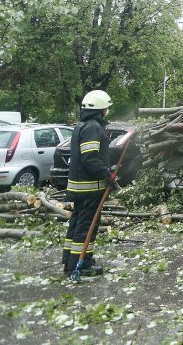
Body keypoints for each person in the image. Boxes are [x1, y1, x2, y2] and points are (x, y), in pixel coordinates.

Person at [62, 89, 116, 277]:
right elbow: (90, 158)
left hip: (79, 187)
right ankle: (82, 265)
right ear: (101, 109)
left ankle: (69, 261)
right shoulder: (93, 127)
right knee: (87, 228)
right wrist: (107, 174)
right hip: (90, 188)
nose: (107, 112)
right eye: (106, 108)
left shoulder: (81, 125)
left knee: (77, 225)